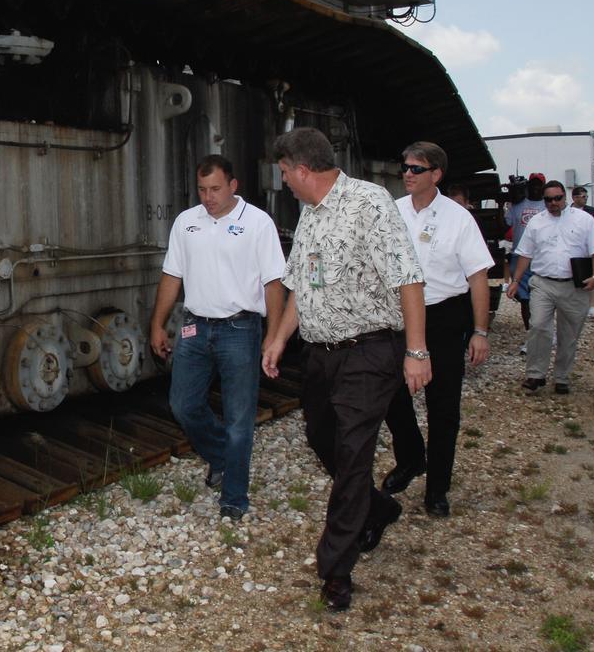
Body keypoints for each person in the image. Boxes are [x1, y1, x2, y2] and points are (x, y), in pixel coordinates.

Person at [261, 128, 427, 612]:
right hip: (321, 354)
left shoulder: (370, 204)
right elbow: (301, 287)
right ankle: (378, 509)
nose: (285, 182)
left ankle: (335, 568)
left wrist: (417, 351)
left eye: (286, 173)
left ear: (303, 169)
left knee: (354, 454)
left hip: (369, 351)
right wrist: (277, 338)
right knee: (321, 439)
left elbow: (408, 278)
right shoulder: (309, 214)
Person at [150, 155, 285, 521]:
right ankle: (224, 457)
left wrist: (274, 336)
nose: (207, 197)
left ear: (233, 186)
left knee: (240, 418)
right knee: (183, 405)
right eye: (202, 189)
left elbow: (274, 284)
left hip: (240, 330)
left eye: (215, 189)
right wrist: (157, 324)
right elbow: (171, 276)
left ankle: (234, 499)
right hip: (195, 327)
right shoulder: (186, 222)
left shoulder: (257, 223)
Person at [382, 143, 493, 518]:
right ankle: (412, 457)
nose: (408, 174)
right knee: (390, 394)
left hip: (444, 317)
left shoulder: (458, 219)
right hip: (398, 317)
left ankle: (437, 489)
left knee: (443, 408)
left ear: (436, 175)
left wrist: (481, 330)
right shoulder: (392, 212)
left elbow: (478, 276)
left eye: (417, 168)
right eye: (405, 167)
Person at [506, 181, 594, 394]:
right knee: (538, 326)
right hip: (543, 283)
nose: (553, 203)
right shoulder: (536, 222)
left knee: (568, 334)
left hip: (573, 286)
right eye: (548, 199)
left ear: (565, 197)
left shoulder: (584, 220)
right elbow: (525, 253)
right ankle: (535, 374)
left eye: (557, 198)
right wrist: (515, 281)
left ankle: (562, 377)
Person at [504, 174, 547, 353]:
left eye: (539, 185)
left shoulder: (547, 206)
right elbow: (505, 224)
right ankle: (531, 335)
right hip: (519, 256)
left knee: (544, 297)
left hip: (542, 257)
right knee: (524, 299)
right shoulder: (517, 206)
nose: (536, 188)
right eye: (533, 185)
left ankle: (544, 333)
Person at [570, 185, 594, 319]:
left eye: (586, 197)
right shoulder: (567, 211)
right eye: (583, 196)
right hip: (573, 249)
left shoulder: (592, 211)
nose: (585, 199)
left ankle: (591, 306)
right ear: (574, 197)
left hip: (588, 250)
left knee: (590, 277)